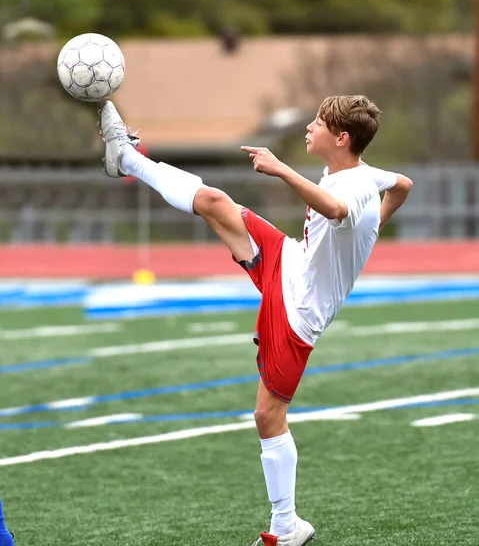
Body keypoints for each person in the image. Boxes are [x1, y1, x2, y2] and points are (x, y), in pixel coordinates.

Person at [99, 95, 413, 546]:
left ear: (341, 139)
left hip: (297, 314)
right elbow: (403, 184)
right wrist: (372, 231)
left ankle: (287, 527)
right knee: (213, 200)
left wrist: (284, 170)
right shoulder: (363, 174)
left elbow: (338, 210)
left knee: (268, 417)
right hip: (291, 262)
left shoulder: (351, 188)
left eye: (318, 123)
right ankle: (126, 157)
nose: (309, 127)